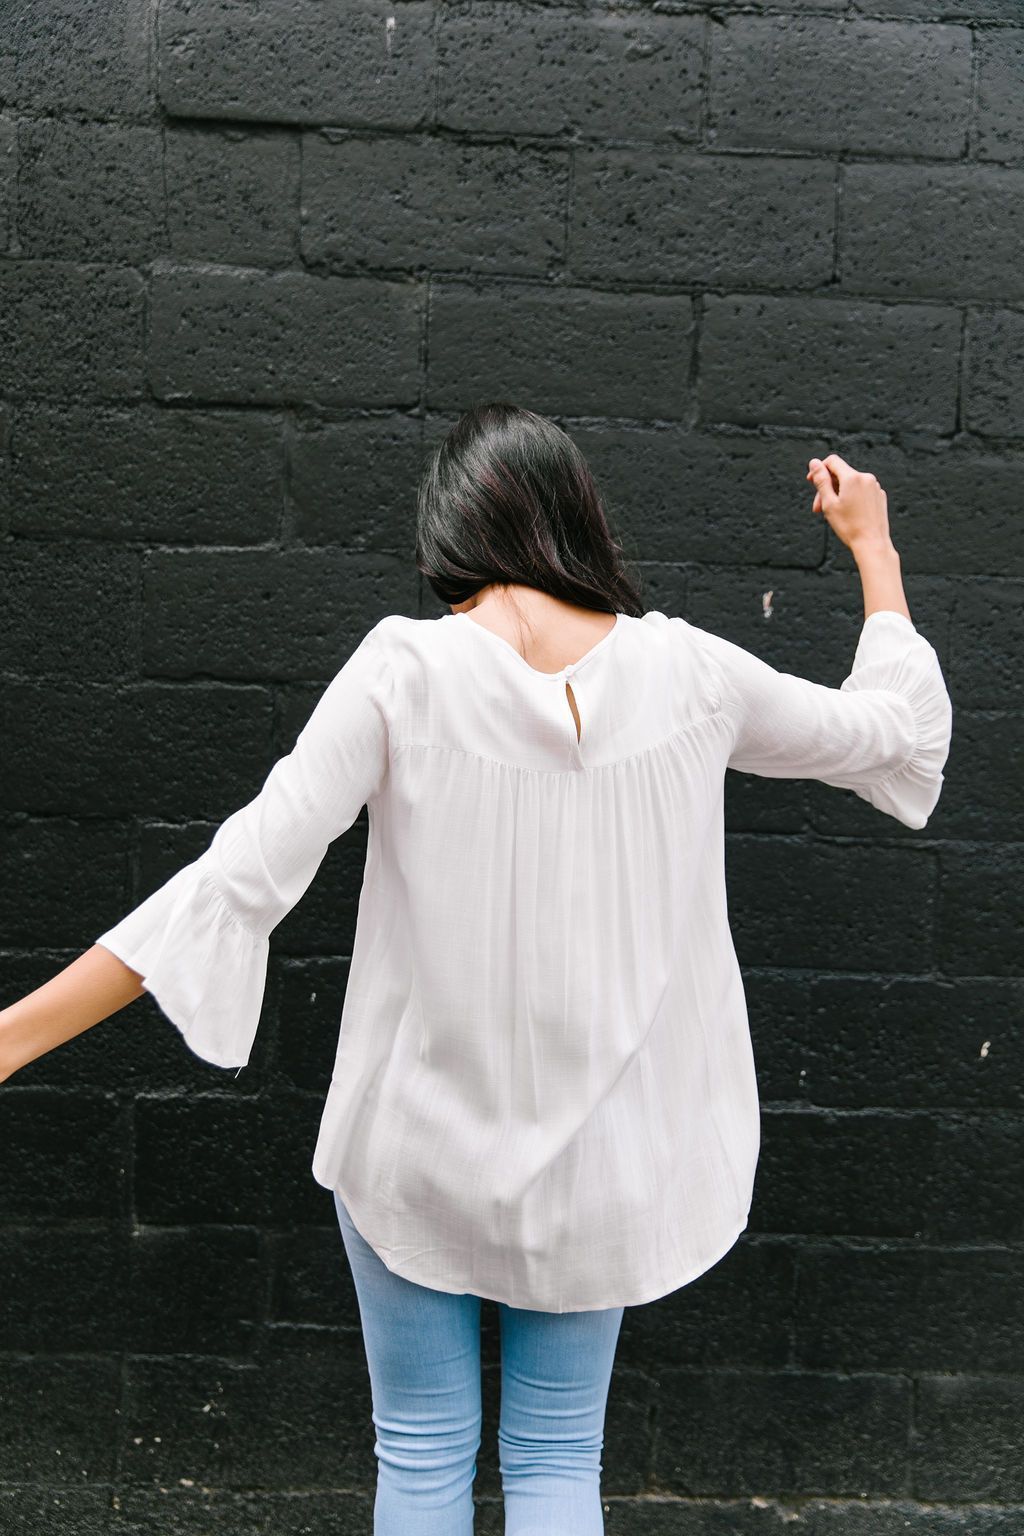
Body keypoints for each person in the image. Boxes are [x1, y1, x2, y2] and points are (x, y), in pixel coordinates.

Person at [0, 403, 953, 1535]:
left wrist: (10, 1037)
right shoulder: (693, 671)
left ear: (453, 531)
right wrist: (873, 552)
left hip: (416, 1148)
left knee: (419, 1458)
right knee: (556, 1464)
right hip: (601, 1164)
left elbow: (234, 881)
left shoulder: (402, 670)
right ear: (575, 523)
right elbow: (889, 734)